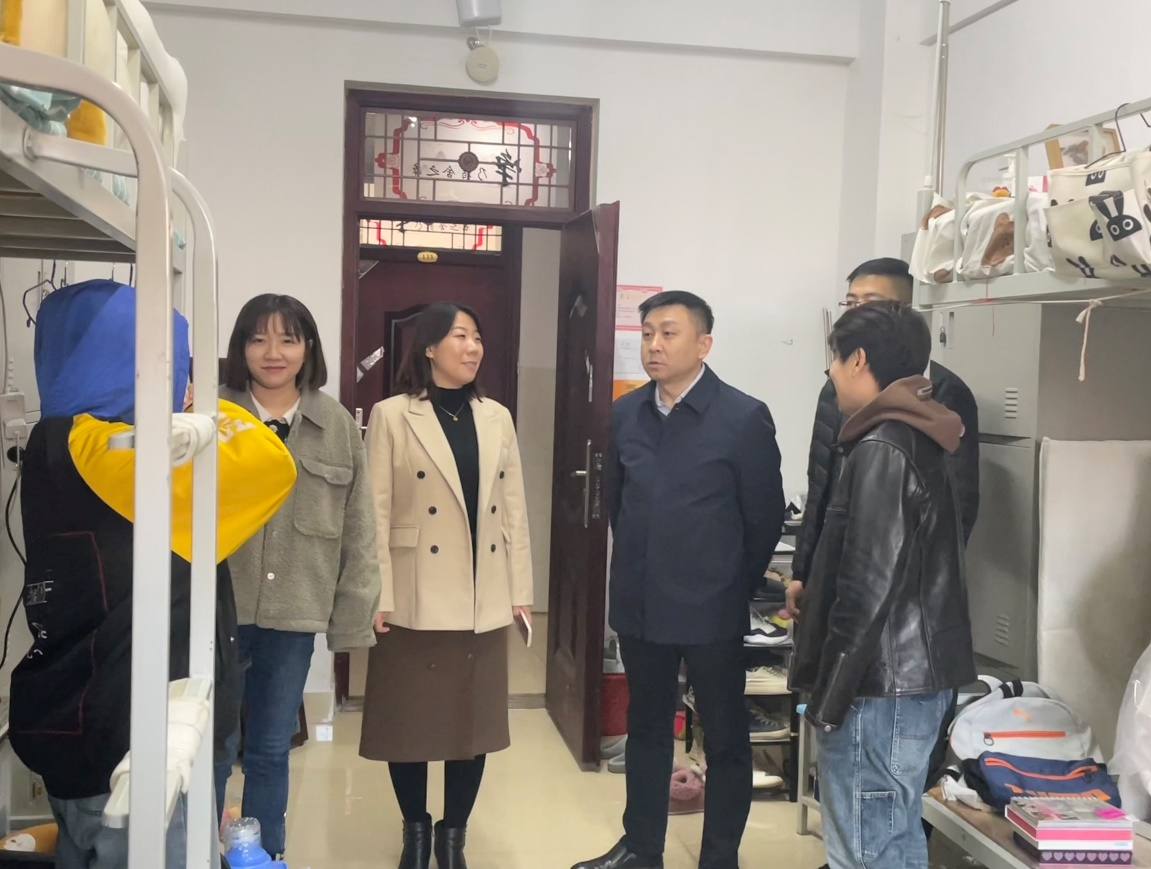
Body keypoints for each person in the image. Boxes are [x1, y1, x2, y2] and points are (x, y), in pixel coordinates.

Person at [10, 279, 297, 869]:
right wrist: (199, 413)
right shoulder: (118, 455)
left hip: (72, 717)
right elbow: (270, 462)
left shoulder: (53, 443)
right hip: (136, 745)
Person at [574, 291, 785, 869]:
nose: (654, 345)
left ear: (704, 344)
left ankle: (719, 856)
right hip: (642, 603)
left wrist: (730, 583)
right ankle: (642, 848)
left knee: (725, 735)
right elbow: (619, 506)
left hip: (712, 608)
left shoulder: (742, 417)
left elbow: (764, 518)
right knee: (645, 730)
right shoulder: (626, 413)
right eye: (647, 333)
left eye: (668, 333)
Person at [785, 258, 979, 866]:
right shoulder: (920, 431)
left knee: (867, 846)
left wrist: (830, 694)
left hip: (880, 683)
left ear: (859, 361)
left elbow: (868, 586)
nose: (830, 373)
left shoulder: (884, 447)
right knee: (891, 835)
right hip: (908, 678)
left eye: (834, 359)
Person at [359, 302, 533, 869]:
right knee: (407, 723)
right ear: (430, 346)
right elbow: (373, 512)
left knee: (471, 725)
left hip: (482, 593)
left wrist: (520, 591)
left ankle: (453, 834)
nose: (473, 346)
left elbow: (514, 510)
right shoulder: (392, 415)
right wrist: (378, 592)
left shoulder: (496, 417)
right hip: (413, 592)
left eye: (478, 336)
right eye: (461, 335)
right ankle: (415, 830)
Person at [218, 294, 381, 859]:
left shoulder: (336, 425)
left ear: (308, 348)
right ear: (240, 347)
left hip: (295, 611)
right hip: (217, 610)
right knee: (213, 748)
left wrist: (352, 617)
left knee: (268, 749)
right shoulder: (211, 416)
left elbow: (359, 527)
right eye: (258, 338)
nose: (273, 352)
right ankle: (197, 852)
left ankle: (265, 856)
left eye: (288, 339)